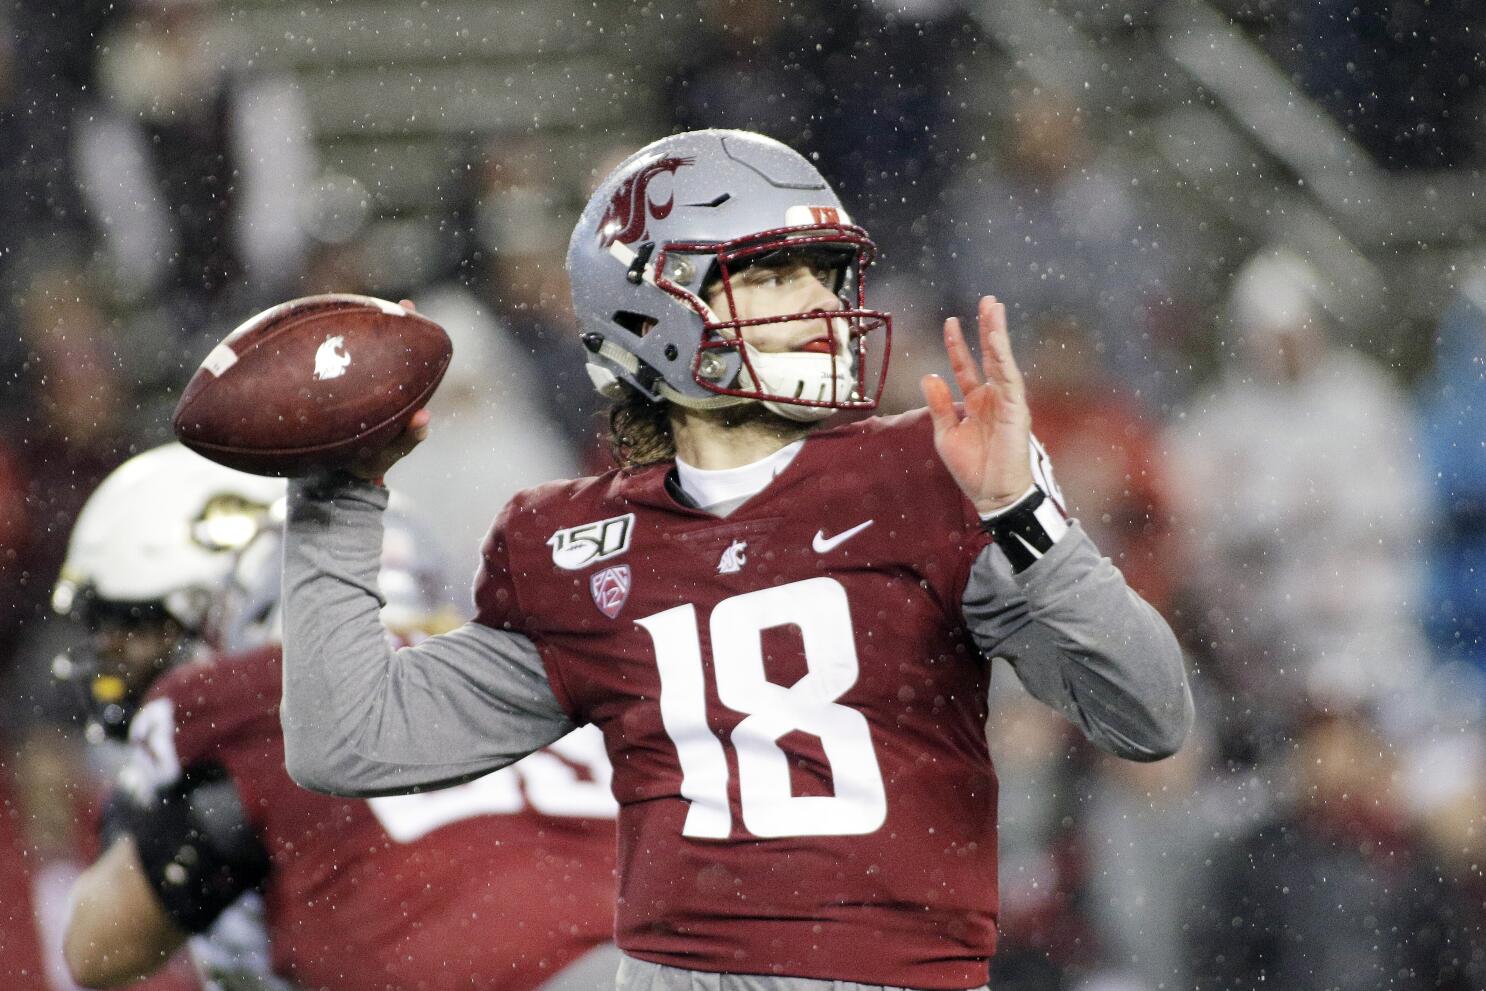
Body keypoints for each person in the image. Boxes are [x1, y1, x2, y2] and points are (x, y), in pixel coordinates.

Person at [281, 129, 1193, 990]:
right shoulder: (571, 546)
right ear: (652, 301)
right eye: (772, 274)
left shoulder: (928, 476)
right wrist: (334, 497)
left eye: (827, 274)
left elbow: (1148, 714)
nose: (822, 304)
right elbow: (353, 740)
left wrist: (1029, 518)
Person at [56, 444, 619, 991]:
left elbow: (95, 949)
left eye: (136, 626)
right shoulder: (526, 666)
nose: (121, 657)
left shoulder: (240, 695)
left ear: (228, 595)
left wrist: (174, 819)